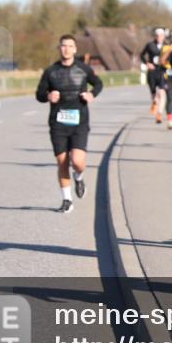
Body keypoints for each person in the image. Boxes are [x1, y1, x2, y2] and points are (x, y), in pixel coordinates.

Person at [34, 34, 103, 213]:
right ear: (59, 49)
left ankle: (78, 177)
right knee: (62, 161)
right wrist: (47, 96)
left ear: (75, 49)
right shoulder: (50, 71)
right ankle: (67, 200)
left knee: (78, 161)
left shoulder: (84, 69)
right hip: (58, 123)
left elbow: (98, 83)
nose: (66, 49)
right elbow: (39, 94)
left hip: (79, 121)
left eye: (70, 46)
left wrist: (91, 94)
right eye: (63, 46)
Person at [140, 28, 168, 123]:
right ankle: (155, 103)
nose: (159, 37)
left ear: (164, 36)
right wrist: (147, 63)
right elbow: (141, 55)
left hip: (162, 71)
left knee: (161, 92)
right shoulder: (150, 45)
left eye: (161, 35)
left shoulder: (167, 45)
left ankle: (159, 114)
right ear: (155, 36)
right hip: (152, 71)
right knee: (153, 93)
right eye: (158, 35)